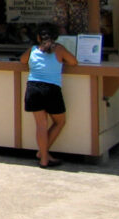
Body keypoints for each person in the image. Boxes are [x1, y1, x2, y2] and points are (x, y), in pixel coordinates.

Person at [20, 22, 78, 168]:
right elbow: (74, 62)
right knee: (59, 121)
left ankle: (43, 157)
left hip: (33, 87)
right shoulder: (59, 49)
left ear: (38, 37)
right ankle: (43, 154)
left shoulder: (32, 50)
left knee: (41, 125)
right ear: (55, 36)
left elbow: (22, 60)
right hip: (52, 88)